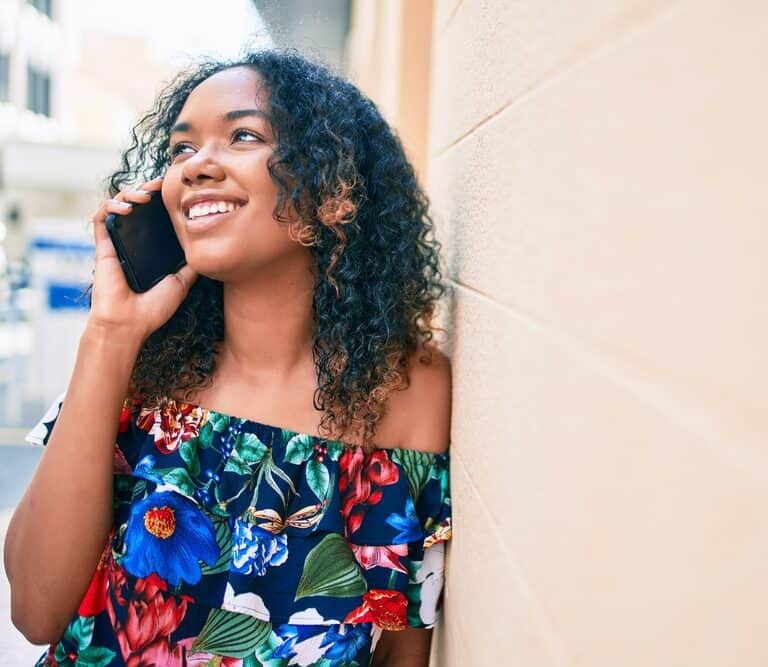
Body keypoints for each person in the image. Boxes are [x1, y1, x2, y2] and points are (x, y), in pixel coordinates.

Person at [3, 48, 454, 667]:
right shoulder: (141, 370)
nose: (195, 167)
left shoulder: (408, 391)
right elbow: (33, 610)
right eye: (181, 149)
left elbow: (405, 644)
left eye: (242, 135)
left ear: (333, 189)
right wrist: (109, 333)